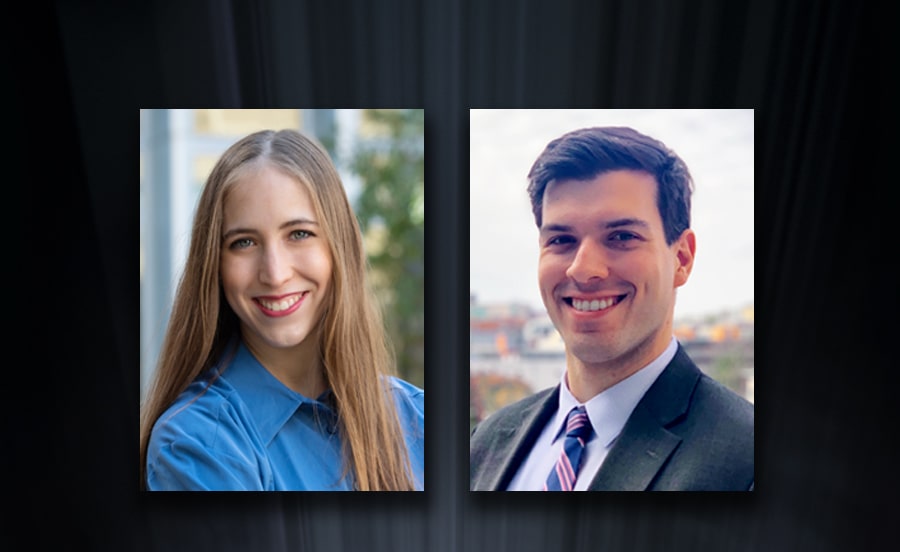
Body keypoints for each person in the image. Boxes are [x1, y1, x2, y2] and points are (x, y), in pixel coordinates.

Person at [470, 126, 753, 491]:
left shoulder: (744, 461)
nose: (584, 269)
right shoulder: (486, 444)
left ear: (682, 258)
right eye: (561, 240)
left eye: (621, 237)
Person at [139, 128, 424, 491]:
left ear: (341, 247)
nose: (274, 273)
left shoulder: (418, 418)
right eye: (243, 242)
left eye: (299, 234)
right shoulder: (195, 445)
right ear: (214, 264)